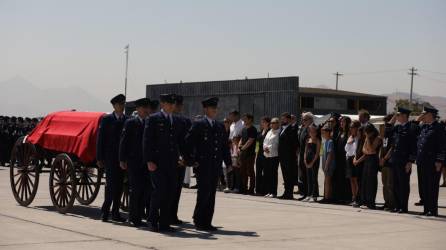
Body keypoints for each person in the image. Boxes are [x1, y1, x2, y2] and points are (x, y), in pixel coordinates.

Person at [185, 97, 232, 231]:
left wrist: (228, 163)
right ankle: (199, 220)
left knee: (211, 194)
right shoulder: (199, 124)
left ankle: (207, 221)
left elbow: (224, 146)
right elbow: (188, 142)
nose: (214, 110)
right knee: (203, 193)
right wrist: (191, 160)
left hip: (215, 165)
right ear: (205, 109)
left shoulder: (219, 126)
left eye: (215, 108)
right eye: (212, 108)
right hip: (202, 165)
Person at [143, 93, 186, 232]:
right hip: (157, 163)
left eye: (173, 103)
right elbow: (147, 141)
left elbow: (180, 142)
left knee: (170, 192)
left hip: (172, 163)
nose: (172, 106)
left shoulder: (176, 120)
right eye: (169, 103)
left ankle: (165, 223)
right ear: (162, 104)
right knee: (159, 192)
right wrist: (149, 160)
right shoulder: (153, 119)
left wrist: (184, 157)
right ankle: (152, 221)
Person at [119, 98, 150, 227]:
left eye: (147, 108)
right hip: (134, 162)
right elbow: (123, 142)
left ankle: (139, 215)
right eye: (143, 108)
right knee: (135, 190)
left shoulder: (149, 123)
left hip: (145, 162)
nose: (146, 110)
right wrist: (122, 159)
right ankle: (133, 217)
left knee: (144, 190)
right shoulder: (131, 123)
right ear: (137, 109)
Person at [97, 94, 128, 223]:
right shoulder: (107, 119)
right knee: (111, 186)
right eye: (120, 104)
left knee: (120, 186)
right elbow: (101, 139)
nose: (122, 106)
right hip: (110, 158)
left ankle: (115, 212)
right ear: (114, 106)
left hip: (122, 159)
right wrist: (99, 157)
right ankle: (105, 212)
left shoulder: (127, 119)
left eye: (123, 104)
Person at [387, 107, 417, 214]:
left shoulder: (411, 128)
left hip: (404, 161)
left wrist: (410, 161)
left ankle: (403, 207)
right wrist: (393, 119)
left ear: (404, 116)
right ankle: (397, 205)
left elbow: (414, 146)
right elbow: (386, 132)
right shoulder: (397, 128)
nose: (397, 117)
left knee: (403, 185)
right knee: (395, 184)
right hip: (395, 160)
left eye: (398, 115)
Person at [416, 106, 445, 216]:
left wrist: (439, 160)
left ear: (430, 115)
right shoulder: (424, 127)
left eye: (424, 114)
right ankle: (426, 209)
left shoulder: (438, 128)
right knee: (424, 187)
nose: (422, 116)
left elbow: (442, 146)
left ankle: (432, 210)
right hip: (422, 161)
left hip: (433, 163)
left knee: (432, 187)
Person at [171, 95, 192, 225]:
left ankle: (171, 215)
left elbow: (186, 142)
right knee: (173, 189)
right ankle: (170, 215)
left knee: (175, 189)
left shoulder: (184, 121)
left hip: (178, 159)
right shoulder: (183, 121)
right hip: (175, 159)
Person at [355, 124, 382, 209]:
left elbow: (372, 149)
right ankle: (365, 201)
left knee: (371, 182)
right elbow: (364, 150)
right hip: (367, 160)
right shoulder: (367, 138)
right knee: (365, 181)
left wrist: (367, 139)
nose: (366, 134)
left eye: (367, 133)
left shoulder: (377, 138)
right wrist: (367, 147)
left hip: (373, 161)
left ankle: (371, 202)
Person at [278, 112, 298, 200]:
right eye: (282, 118)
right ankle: (286, 192)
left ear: (289, 119)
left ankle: (289, 193)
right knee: (285, 175)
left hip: (289, 157)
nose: (283, 120)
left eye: (284, 118)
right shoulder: (282, 129)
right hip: (282, 157)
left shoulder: (292, 129)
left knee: (289, 175)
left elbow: (294, 143)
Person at [332, 116, 352, 203]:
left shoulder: (349, 133)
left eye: (343, 122)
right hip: (339, 158)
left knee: (346, 178)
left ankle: (346, 197)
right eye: (341, 122)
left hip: (345, 158)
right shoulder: (341, 132)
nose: (341, 123)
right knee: (339, 177)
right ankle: (339, 196)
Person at [380, 114, 396, 211]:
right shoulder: (385, 133)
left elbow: (392, 148)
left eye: (387, 122)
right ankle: (386, 203)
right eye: (385, 122)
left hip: (390, 162)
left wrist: (385, 158)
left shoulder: (394, 132)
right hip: (384, 162)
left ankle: (391, 204)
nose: (386, 124)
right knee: (384, 184)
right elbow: (383, 147)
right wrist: (381, 158)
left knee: (390, 185)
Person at [238, 114, 257, 194]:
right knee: (243, 171)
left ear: (250, 120)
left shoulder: (253, 129)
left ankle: (251, 189)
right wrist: (239, 145)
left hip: (250, 154)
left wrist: (243, 148)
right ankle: (244, 188)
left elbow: (251, 140)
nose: (244, 120)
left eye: (245, 119)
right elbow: (242, 138)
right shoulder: (244, 129)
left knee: (250, 171)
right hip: (243, 154)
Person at [297, 112, 314, 200]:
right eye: (303, 119)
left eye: (305, 119)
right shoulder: (304, 128)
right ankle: (305, 193)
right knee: (303, 175)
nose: (303, 121)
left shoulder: (312, 128)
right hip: (302, 153)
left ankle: (310, 194)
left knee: (309, 176)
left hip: (309, 154)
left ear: (311, 120)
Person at [263, 117, 281, 198]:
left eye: (274, 123)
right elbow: (265, 142)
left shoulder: (279, 132)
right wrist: (265, 148)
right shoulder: (269, 131)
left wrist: (268, 148)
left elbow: (276, 144)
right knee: (267, 174)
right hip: (266, 155)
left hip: (274, 155)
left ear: (278, 123)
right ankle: (268, 191)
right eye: (271, 123)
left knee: (273, 174)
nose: (272, 124)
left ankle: (273, 192)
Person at [345, 120, 361, 206]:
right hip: (349, 159)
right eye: (350, 127)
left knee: (356, 180)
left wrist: (352, 141)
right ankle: (353, 197)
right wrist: (350, 141)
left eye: (352, 127)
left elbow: (356, 150)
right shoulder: (350, 136)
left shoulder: (358, 138)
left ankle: (357, 198)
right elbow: (346, 149)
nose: (351, 129)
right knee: (351, 180)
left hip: (355, 159)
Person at [304, 124, 321, 202]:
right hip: (307, 160)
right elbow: (305, 151)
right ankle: (308, 194)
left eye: (313, 131)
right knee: (309, 178)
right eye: (310, 131)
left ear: (316, 132)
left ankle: (314, 195)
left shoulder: (318, 140)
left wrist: (312, 162)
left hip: (314, 160)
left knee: (314, 178)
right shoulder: (308, 139)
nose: (311, 132)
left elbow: (317, 153)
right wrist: (304, 160)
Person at [255, 116, 271, 196]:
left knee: (265, 172)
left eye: (263, 122)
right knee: (258, 172)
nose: (262, 123)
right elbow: (257, 143)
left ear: (268, 123)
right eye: (262, 122)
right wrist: (256, 152)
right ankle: (258, 189)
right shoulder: (260, 131)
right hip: (259, 154)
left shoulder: (269, 131)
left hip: (266, 154)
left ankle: (265, 190)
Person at [320, 124, 335, 203]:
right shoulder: (324, 142)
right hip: (324, 163)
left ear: (328, 132)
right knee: (326, 180)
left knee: (328, 181)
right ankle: (325, 196)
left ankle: (327, 198)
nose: (323, 133)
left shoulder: (330, 141)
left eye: (324, 132)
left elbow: (330, 154)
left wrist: (326, 165)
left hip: (329, 164)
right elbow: (321, 153)